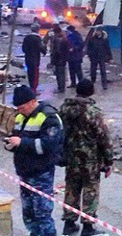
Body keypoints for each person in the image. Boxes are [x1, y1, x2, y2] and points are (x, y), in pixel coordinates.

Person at [4, 85, 64, 236]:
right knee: (29, 214)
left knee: (42, 215)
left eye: (22, 107)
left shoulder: (49, 117)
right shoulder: (20, 117)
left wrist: (21, 143)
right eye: (17, 107)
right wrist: (11, 144)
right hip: (25, 172)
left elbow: (49, 146)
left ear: (32, 101)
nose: (20, 110)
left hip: (41, 173)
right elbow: (17, 139)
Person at [59, 79, 114, 236]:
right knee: (90, 190)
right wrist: (109, 160)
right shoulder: (93, 112)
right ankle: (88, 226)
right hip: (90, 159)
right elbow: (104, 138)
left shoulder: (64, 108)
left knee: (71, 188)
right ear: (91, 92)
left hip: (70, 157)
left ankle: (69, 223)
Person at [22, 23, 47, 94]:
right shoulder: (37, 39)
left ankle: (31, 87)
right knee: (35, 75)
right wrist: (44, 51)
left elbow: (23, 49)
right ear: (38, 30)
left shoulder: (27, 38)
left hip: (28, 58)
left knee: (30, 74)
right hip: (35, 59)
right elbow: (41, 48)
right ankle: (34, 90)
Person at [51, 25, 70, 93]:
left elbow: (56, 51)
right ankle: (62, 88)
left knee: (59, 75)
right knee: (62, 74)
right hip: (63, 59)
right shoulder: (65, 39)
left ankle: (60, 88)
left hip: (58, 59)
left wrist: (53, 60)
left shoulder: (57, 40)